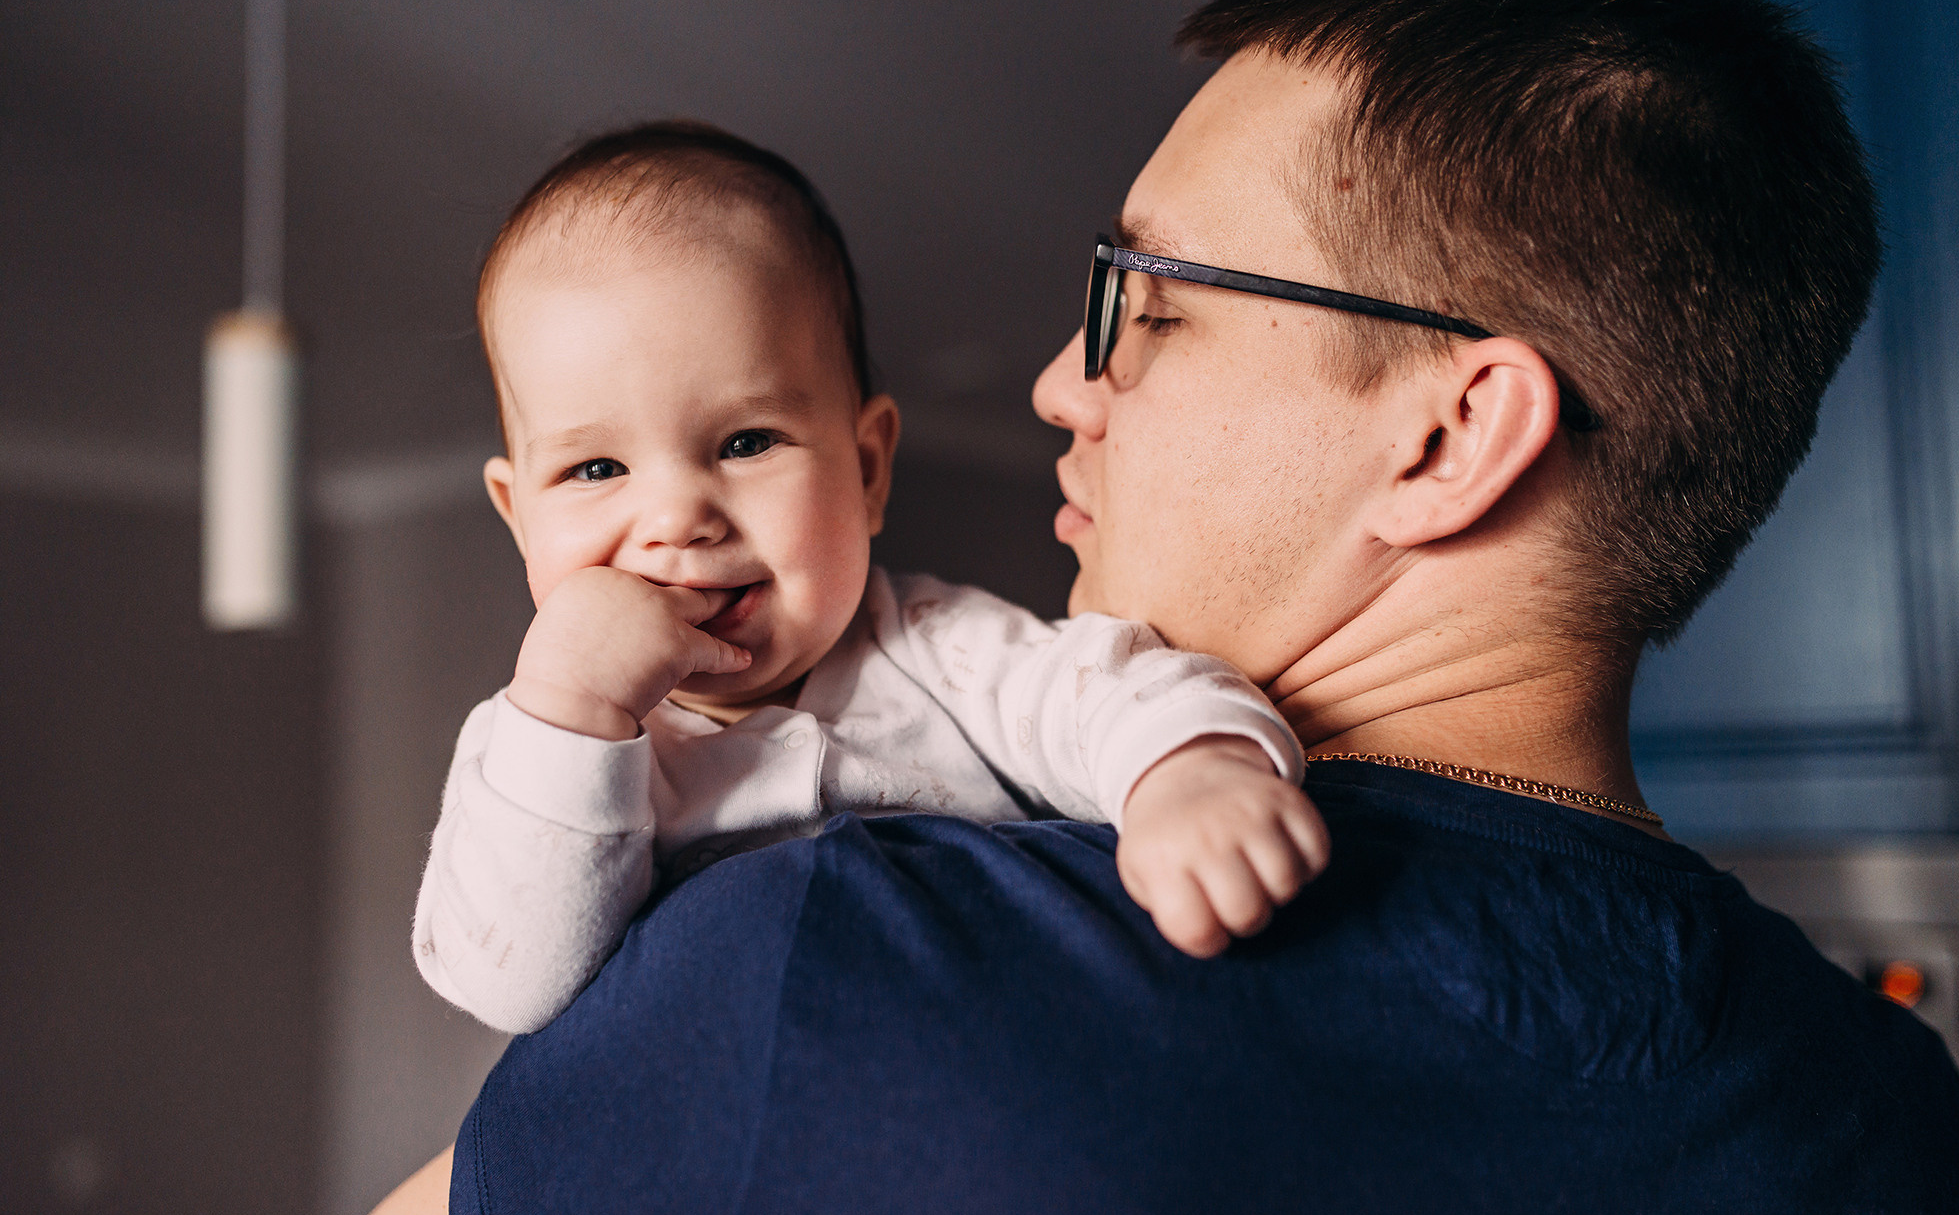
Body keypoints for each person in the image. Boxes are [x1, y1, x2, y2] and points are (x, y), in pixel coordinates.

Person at [339, 0, 1959, 1215]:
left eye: (1152, 299)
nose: (1066, 380)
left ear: (1452, 433)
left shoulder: (844, 959)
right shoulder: (1910, 1136)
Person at [413, 120, 1323, 1036]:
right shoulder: (532, 750)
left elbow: (1114, 689)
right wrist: (572, 708)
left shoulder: (947, 653)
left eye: (745, 442)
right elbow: (511, 982)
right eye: (596, 469)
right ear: (518, 514)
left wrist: (1188, 774)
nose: (678, 517)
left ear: (868, 467)